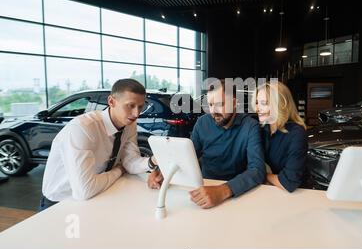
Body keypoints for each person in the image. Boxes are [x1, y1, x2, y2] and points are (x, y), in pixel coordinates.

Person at [40, 79, 157, 211]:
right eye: (130, 105)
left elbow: (130, 162)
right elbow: (84, 190)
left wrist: (153, 161)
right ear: (111, 101)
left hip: (98, 194)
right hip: (60, 202)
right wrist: (118, 170)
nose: (136, 114)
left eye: (140, 107)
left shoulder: (129, 124)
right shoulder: (83, 128)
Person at [148, 79, 266, 208]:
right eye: (210, 105)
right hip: (205, 185)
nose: (213, 111)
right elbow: (187, 156)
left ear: (233, 103)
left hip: (237, 190)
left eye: (219, 104)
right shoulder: (202, 123)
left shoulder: (250, 126)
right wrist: (163, 171)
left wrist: (223, 191)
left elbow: (257, 170)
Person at [255, 81, 308, 192]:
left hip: (295, 196)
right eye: (257, 103)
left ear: (280, 105)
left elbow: (289, 182)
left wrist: (265, 175)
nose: (257, 109)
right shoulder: (263, 129)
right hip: (268, 191)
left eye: (264, 103)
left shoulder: (297, 133)